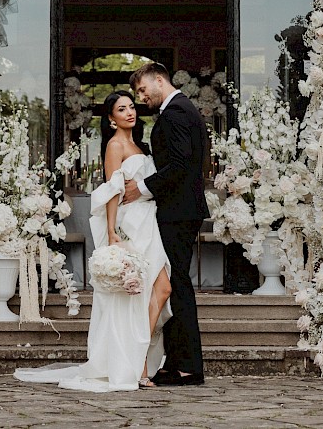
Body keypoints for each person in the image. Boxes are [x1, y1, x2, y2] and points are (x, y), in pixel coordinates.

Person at [14, 91, 172, 392]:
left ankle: (138, 358)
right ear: (111, 119)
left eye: (131, 107)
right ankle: (137, 366)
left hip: (148, 221)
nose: (129, 112)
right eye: (121, 109)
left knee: (162, 288)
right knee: (139, 293)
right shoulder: (115, 145)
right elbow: (112, 190)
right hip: (131, 223)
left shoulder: (139, 144)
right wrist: (112, 231)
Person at [124, 62, 208, 387]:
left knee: (179, 286)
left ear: (159, 80)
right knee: (175, 284)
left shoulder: (175, 114)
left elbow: (180, 165)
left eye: (143, 90)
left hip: (179, 211)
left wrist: (141, 189)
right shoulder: (181, 110)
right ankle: (178, 362)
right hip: (181, 209)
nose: (142, 97)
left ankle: (186, 366)